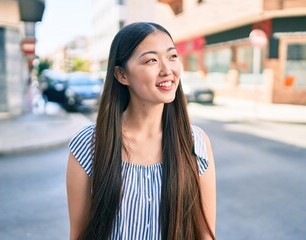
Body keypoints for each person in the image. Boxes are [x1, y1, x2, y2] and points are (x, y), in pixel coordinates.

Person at [66, 22, 216, 240]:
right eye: (151, 60)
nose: (167, 70)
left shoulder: (195, 143)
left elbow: (206, 235)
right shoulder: (89, 143)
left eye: (172, 56)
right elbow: (78, 235)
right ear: (121, 75)